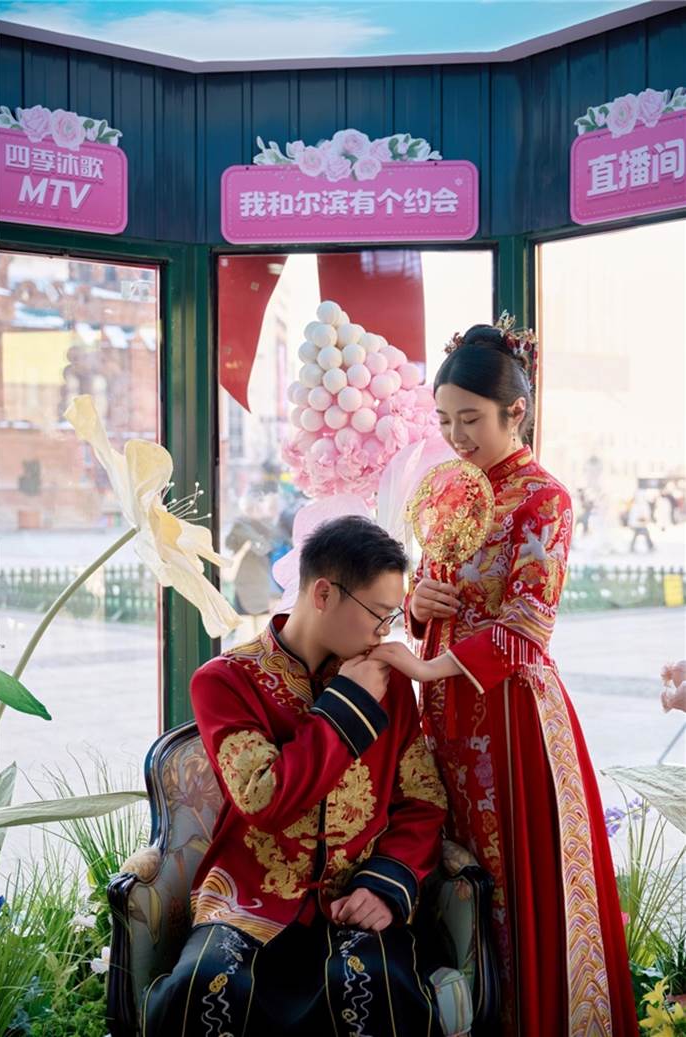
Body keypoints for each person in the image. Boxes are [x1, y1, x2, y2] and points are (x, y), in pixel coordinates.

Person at [372, 323, 637, 1037]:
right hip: (444, 706)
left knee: (511, 878)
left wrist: (425, 662)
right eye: (444, 420)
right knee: (450, 866)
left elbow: (526, 624)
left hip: (510, 716)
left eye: (470, 420)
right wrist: (418, 602)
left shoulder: (544, 499)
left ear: (514, 412)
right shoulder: (449, 493)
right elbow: (426, 593)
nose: (455, 436)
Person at [142, 516, 448, 1037]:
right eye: (378, 614)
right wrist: (350, 702)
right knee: (205, 988)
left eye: (393, 616)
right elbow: (264, 799)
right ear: (324, 594)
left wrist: (384, 884)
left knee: (377, 986)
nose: (385, 631)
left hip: (355, 897)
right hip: (245, 899)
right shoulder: (226, 681)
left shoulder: (390, 684)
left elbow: (423, 801)